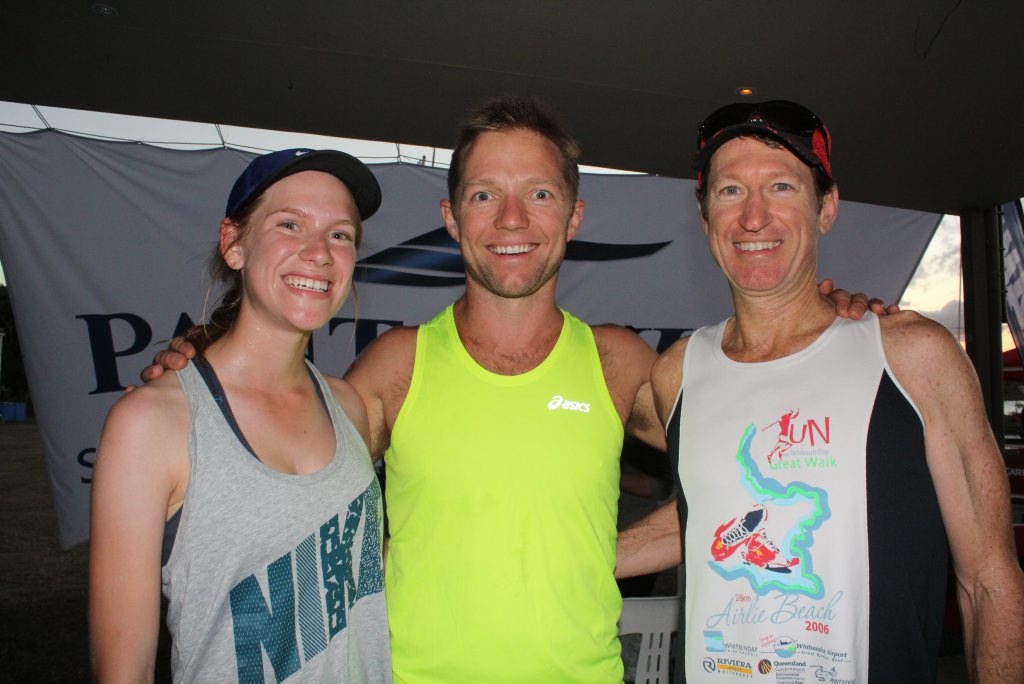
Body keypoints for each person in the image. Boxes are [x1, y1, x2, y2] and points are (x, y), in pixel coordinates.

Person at [144, 97, 884, 682]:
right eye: (484, 196)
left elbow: (747, 444)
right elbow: (281, 448)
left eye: (537, 193)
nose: (511, 221)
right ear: (451, 218)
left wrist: (827, 317)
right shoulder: (397, 368)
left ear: (574, 216)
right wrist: (210, 362)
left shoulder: (615, 361)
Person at [616, 100, 1024, 681]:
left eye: (781, 187)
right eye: (730, 191)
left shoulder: (912, 357)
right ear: (704, 216)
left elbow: (990, 581)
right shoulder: (677, 373)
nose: (754, 217)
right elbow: (705, 514)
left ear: (826, 207)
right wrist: (562, 562)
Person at [89, 149, 391, 682]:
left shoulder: (351, 407)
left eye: (340, 234)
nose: (319, 252)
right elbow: (122, 668)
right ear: (234, 244)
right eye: (290, 224)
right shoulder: (153, 424)